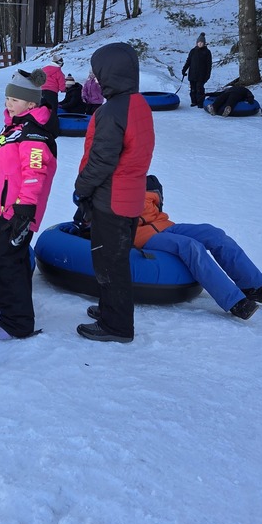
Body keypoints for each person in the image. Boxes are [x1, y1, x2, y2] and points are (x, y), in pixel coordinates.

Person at [74, 43, 155, 343]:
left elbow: (102, 161)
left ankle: (117, 326)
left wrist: (81, 188)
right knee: (115, 259)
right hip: (129, 197)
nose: (93, 79)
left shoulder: (112, 112)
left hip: (112, 201)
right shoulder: (138, 104)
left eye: (97, 73)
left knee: (110, 264)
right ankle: (110, 309)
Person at [0, 69, 57, 340]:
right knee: (12, 260)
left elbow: (34, 173)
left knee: (8, 263)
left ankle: (17, 323)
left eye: (15, 100)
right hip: (3, 207)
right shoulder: (14, 126)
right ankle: (7, 306)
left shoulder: (33, 134)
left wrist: (25, 209)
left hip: (17, 211)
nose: (8, 103)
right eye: (7, 98)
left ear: (31, 104)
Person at [132, 175, 262, 319]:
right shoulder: (115, 186)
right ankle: (234, 301)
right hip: (143, 236)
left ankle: (252, 286)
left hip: (166, 226)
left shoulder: (149, 182)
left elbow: (158, 209)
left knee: (214, 234)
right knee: (190, 247)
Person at [182, 32, 213, 108]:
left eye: (202, 42)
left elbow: (209, 65)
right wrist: (184, 70)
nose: (200, 44)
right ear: (196, 43)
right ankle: (194, 101)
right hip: (192, 74)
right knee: (193, 89)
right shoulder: (193, 51)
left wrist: (207, 75)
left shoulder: (207, 52)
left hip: (201, 75)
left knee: (200, 89)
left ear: (204, 43)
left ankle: (200, 103)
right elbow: (188, 61)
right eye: (199, 42)